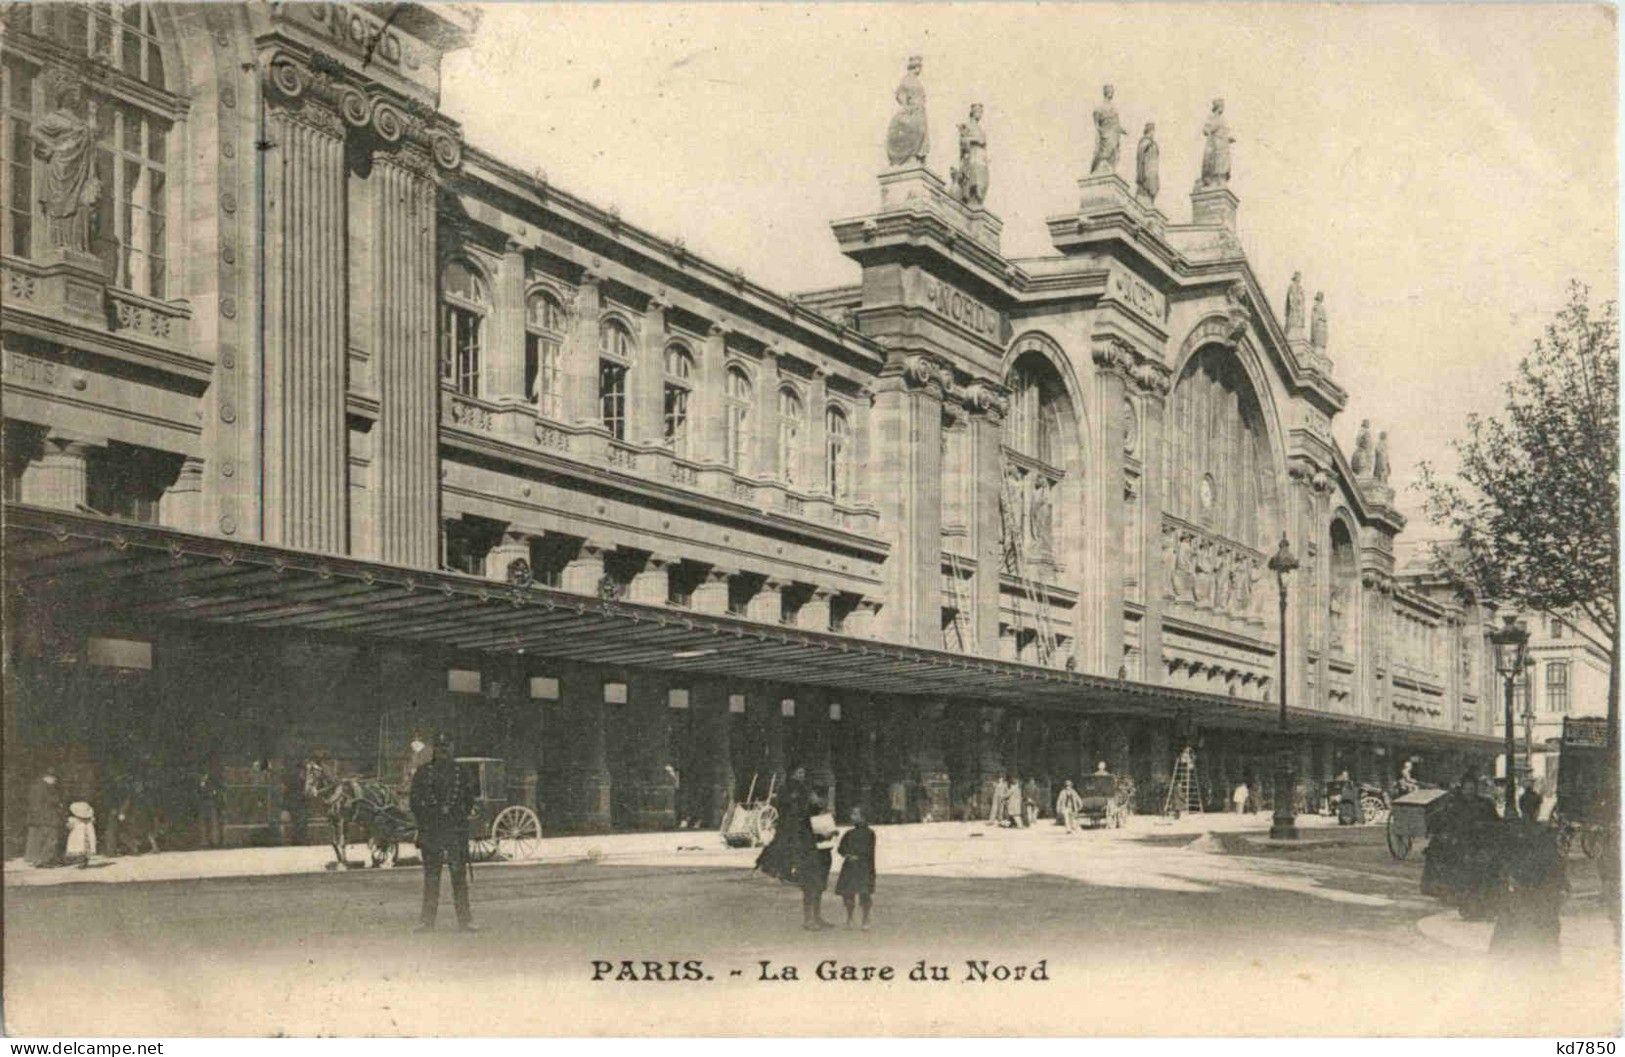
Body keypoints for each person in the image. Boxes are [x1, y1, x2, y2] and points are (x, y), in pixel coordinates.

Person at [409, 733, 478, 933]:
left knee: (459, 876)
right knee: (431, 877)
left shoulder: (462, 772)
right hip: (432, 832)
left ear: (452, 747)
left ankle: (465, 921)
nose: (443, 750)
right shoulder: (423, 773)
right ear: (434, 749)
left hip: (455, 832)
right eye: (439, 747)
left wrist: (456, 816)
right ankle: (426, 922)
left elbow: (468, 800)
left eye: (446, 746)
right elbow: (415, 802)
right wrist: (430, 819)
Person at [756, 765, 833, 930]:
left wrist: (817, 803)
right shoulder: (786, 792)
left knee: (819, 881)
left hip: (816, 838)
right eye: (798, 773)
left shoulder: (807, 791)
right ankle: (808, 919)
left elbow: (818, 811)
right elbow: (789, 816)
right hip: (800, 840)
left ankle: (817, 917)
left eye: (803, 773)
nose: (801, 776)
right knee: (809, 882)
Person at [1491, 820, 1567, 965]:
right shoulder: (1547, 838)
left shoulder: (1516, 833)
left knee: (1514, 925)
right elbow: (1557, 866)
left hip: (1523, 889)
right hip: (1540, 892)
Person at [836, 806, 876, 930]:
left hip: (863, 867)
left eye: (855, 814)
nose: (852, 816)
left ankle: (865, 918)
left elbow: (869, 851)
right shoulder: (849, 833)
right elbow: (841, 848)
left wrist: (858, 856)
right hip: (850, 866)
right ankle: (849, 917)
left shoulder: (870, 834)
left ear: (863, 817)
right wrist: (847, 854)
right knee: (848, 893)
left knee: (864, 894)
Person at [26, 766, 64, 866]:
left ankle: (37, 860)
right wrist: (58, 803)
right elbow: (48, 801)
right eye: (55, 778)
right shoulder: (45, 788)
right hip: (47, 817)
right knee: (50, 838)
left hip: (38, 818)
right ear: (48, 777)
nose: (55, 781)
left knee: (38, 839)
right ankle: (45, 860)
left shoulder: (37, 786)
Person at [197, 766, 225, 849]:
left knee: (212, 822)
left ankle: (213, 841)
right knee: (205, 823)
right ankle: (207, 841)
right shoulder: (201, 783)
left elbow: (214, 792)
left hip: (210, 803)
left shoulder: (210, 782)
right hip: (204, 803)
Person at [65, 801, 97, 868]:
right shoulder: (88, 821)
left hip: (79, 837)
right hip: (85, 837)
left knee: (81, 849)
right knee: (84, 849)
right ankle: (84, 862)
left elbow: (69, 827)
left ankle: (82, 862)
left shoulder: (74, 820)